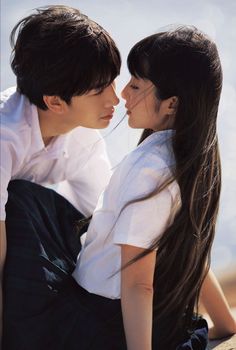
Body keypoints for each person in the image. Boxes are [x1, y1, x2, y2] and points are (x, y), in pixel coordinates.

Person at [3, 26, 236, 350]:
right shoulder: (189, 159)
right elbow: (190, 246)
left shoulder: (148, 170)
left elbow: (139, 284)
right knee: (36, 203)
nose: (121, 94)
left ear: (171, 104)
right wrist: (225, 322)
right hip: (146, 315)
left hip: (99, 320)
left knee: (20, 200)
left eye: (135, 84)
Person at [0, 4, 120, 344]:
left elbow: (111, 221)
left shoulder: (82, 139)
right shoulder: (4, 137)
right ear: (54, 101)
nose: (115, 98)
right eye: (99, 90)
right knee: (20, 204)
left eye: (112, 81)